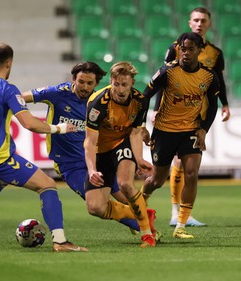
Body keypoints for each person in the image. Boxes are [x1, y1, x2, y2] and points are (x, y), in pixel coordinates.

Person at [0, 42, 87, 252]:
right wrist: (59, 128)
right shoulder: (7, 89)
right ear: (9, 62)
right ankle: (60, 241)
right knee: (48, 185)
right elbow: (29, 123)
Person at [21, 61, 158, 238]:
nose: (85, 87)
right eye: (81, 82)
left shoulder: (99, 102)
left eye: (90, 83)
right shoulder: (57, 93)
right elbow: (20, 98)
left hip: (97, 158)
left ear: (97, 83)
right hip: (70, 164)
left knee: (126, 197)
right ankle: (145, 227)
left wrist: (141, 132)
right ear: (73, 79)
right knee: (96, 204)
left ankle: (144, 225)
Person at [152, 7, 231, 227]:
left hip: (200, 112)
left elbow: (219, 81)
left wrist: (224, 103)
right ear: (189, 23)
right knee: (180, 161)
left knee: (189, 165)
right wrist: (157, 108)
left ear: (209, 24)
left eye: (203, 20)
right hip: (175, 113)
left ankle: (180, 213)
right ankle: (175, 211)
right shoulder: (176, 48)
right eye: (196, 20)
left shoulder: (215, 53)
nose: (199, 23)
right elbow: (162, 79)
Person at [141, 32, 219, 239]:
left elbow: (212, 106)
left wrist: (203, 129)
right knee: (157, 180)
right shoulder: (168, 71)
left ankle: (181, 225)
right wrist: (141, 125)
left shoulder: (209, 76)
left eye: (190, 49)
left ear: (199, 51)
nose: (185, 53)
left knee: (191, 173)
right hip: (164, 132)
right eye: (182, 49)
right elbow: (144, 97)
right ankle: (140, 200)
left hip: (190, 131)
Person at [84, 61, 156, 248]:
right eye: (117, 84)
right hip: (101, 150)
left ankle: (147, 234)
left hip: (122, 143)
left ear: (132, 82)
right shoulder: (98, 102)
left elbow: (134, 132)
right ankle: (138, 212)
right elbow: (90, 141)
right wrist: (92, 169)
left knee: (125, 183)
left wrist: (139, 159)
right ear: (111, 81)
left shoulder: (140, 100)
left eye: (125, 84)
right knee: (95, 208)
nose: (121, 89)